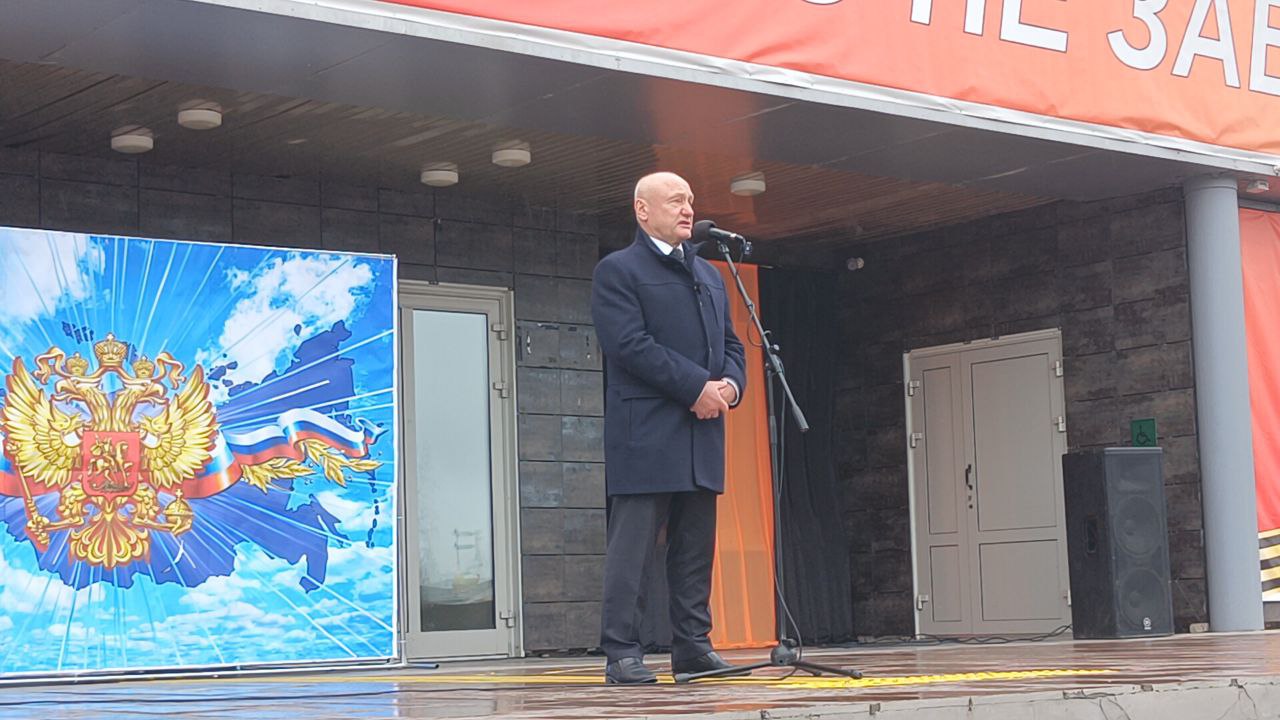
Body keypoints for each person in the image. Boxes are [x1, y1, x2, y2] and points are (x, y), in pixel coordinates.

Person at [591, 171, 748, 684]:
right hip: (646, 433)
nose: (688, 209)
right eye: (676, 200)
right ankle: (622, 652)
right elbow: (629, 344)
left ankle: (693, 648)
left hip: (702, 433)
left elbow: (732, 345)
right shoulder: (619, 270)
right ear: (642, 210)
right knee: (633, 551)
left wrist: (730, 388)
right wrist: (697, 387)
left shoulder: (708, 274)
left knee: (694, 549)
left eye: (691, 200)